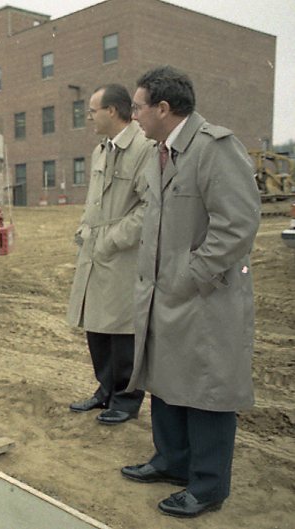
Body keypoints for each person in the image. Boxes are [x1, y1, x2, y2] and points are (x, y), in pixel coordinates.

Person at [121, 66, 261, 518]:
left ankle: (207, 486)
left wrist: (191, 275)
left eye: (138, 107)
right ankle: (172, 461)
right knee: (165, 380)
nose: (133, 116)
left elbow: (238, 224)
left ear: (163, 108)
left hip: (204, 298)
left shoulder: (214, 148)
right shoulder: (161, 151)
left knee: (206, 390)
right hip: (164, 296)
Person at [65, 84, 151, 425]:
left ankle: (126, 400)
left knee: (123, 330)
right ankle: (105, 391)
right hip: (95, 251)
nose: (89, 117)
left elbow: (150, 207)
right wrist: (85, 230)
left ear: (112, 111)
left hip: (123, 254)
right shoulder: (100, 150)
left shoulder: (144, 148)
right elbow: (95, 200)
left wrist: (112, 239)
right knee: (97, 326)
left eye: (92, 110)